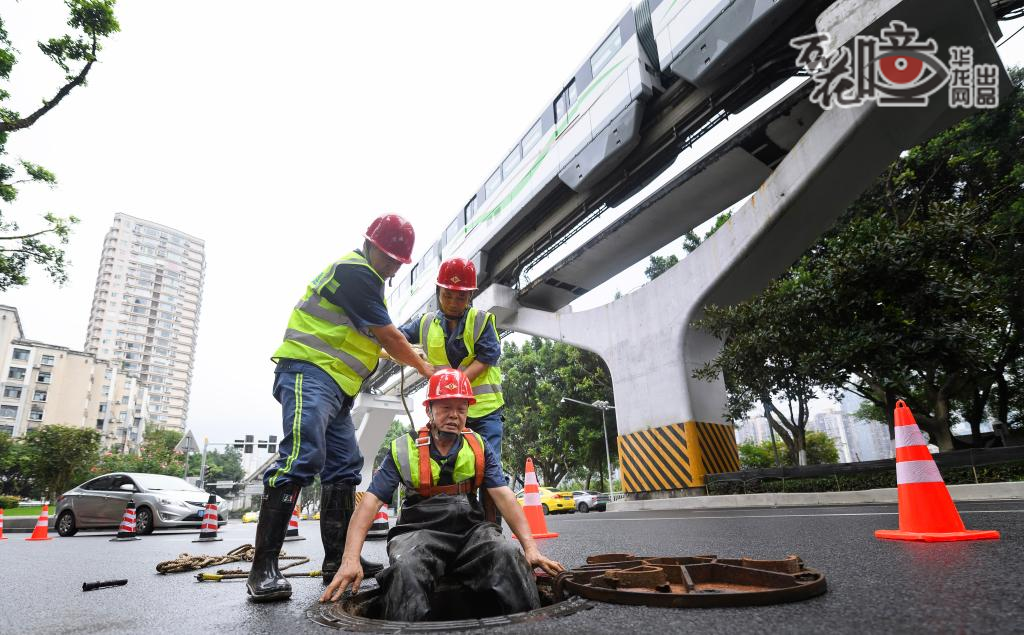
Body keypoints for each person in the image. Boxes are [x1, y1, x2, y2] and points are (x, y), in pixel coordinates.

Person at [248, 214, 435, 603]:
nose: (391, 266)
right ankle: (262, 568)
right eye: (388, 257)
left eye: (397, 262)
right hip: (308, 373)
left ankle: (337, 560)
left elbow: (370, 339)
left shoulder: (366, 285)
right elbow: (387, 334)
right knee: (302, 456)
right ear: (370, 246)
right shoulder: (356, 272)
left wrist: (393, 350)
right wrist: (423, 367)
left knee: (345, 466)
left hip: (337, 388)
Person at [320, 368, 564, 621]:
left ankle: (530, 626)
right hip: (417, 534)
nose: (454, 416)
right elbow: (369, 504)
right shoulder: (403, 449)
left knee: (508, 556)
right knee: (406, 569)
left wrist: (530, 549)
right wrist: (349, 559)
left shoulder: (479, 446)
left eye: (461, 408)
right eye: (445, 407)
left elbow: (504, 496)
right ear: (429, 411)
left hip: (472, 534)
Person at [397, 257, 507, 521]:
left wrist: (455, 384)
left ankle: (492, 530)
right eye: (448, 296)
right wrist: (418, 363)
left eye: (461, 297)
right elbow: (396, 337)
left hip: (485, 412)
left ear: (470, 296)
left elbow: (488, 355)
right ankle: (454, 524)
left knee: (489, 471)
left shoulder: (481, 321)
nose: (454, 303)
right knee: (447, 465)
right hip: (446, 413)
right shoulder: (424, 324)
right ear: (438, 293)